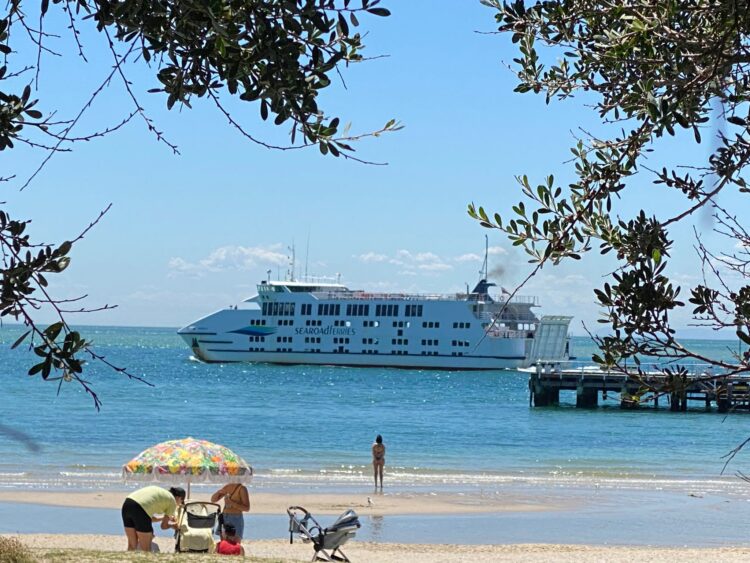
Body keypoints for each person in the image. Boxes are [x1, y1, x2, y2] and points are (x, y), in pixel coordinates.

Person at [121, 485, 185, 551]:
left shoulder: (162, 494)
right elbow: (163, 526)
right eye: (181, 502)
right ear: (179, 498)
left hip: (127, 504)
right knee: (146, 549)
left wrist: (162, 518)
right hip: (140, 509)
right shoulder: (172, 502)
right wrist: (174, 526)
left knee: (132, 546)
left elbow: (147, 518)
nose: (179, 504)